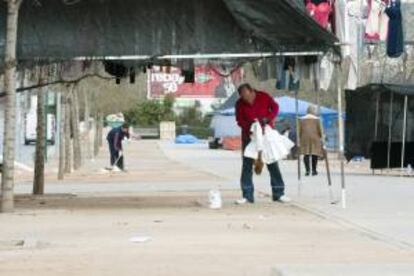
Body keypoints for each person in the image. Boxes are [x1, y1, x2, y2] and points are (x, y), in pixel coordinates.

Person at [235, 83, 291, 204]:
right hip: (249, 137)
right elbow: (239, 120)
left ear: (252, 91)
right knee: (247, 166)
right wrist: (249, 127)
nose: (246, 99)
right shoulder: (239, 104)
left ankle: (278, 193)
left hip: (266, 135)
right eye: (243, 97)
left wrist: (269, 118)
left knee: (272, 163)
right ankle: (247, 195)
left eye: (247, 96)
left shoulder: (263, 96)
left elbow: (275, 107)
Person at [299, 106, 324, 176]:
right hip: (315, 138)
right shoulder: (317, 119)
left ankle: (307, 170)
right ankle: (314, 170)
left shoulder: (301, 119)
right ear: (313, 111)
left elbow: (299, 130)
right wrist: (322, 137)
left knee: (306, 154)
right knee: (314, 154)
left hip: (304, 138)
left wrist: (299, 138)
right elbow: (320, 130)